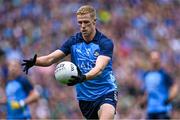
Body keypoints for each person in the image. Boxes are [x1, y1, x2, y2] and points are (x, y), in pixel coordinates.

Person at [22, 5, 118, 119]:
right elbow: (51, 58)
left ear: (94, 21)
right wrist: (35, 62)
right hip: (85, 98)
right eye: (80, 23)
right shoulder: (73, 41)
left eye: (86, 22)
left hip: (106, 92)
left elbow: (99, 69)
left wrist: (83, 77)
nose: (83, 26)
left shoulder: (104, 43)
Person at [139, 51, 178, 119]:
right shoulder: (146, 75)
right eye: (153, 59)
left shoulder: (164, 74)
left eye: (156, 59)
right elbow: (147, 91)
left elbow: (174, 87)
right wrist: (143, 101)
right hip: (151, 110)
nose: (155, 61)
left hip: (162, 110)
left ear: (160, 60)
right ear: (150, 60)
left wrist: (169, 98)